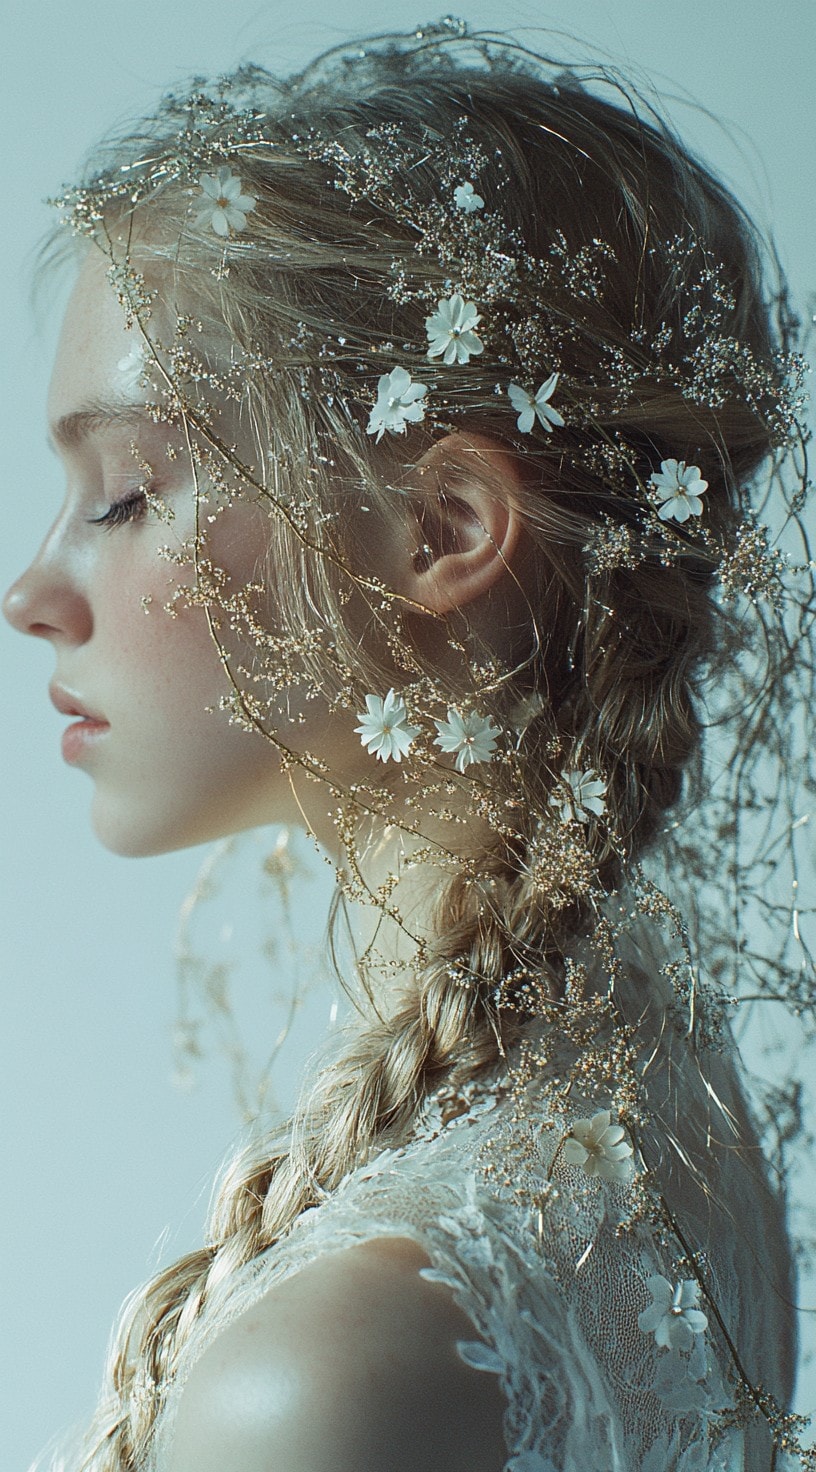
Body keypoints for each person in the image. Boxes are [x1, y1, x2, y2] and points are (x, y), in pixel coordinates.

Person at [4, 20, 814, 1471]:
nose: (31, 594)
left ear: (442, 531)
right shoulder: (645, 1068)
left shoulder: (323, 1376)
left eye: (124, 494)